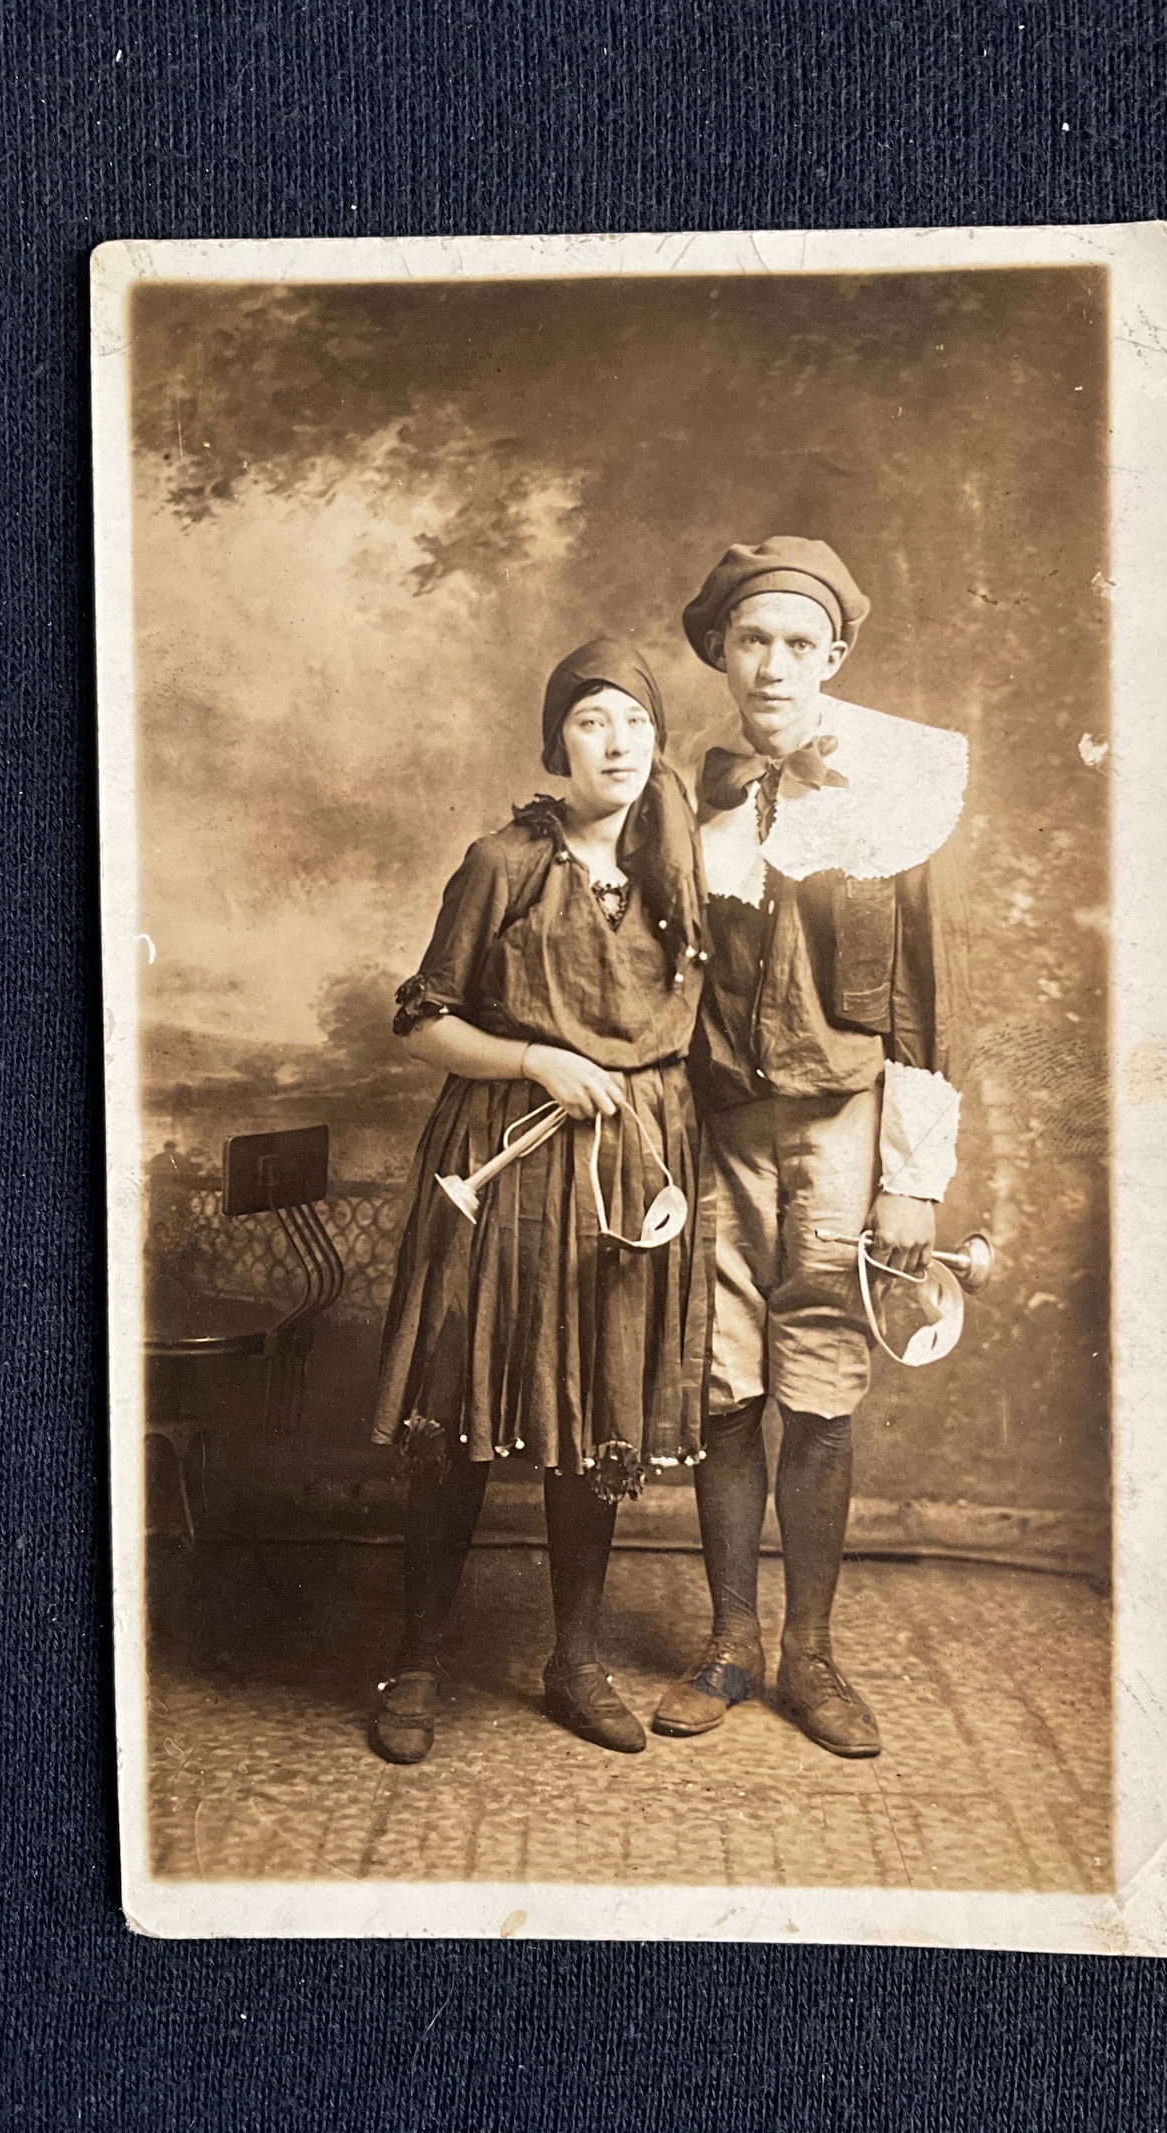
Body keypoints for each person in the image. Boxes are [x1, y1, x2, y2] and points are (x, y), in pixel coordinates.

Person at [653, 537, 972, 1759]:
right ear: (722, 654)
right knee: (724, 1382)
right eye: (752, 641)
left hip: (846, 1127)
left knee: (821, 1384)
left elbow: (930, 994)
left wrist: (911, 1181)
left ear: (833, 657)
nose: (774, 665)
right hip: (720, 1127)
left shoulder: (897, 783)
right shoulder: (690, 783)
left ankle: (812, 1657)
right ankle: (730, 1644)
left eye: (798, 645)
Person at [368, 638, 711, 1764]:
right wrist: (531, 1062)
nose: (615, 743)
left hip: (626, 1166)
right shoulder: (502, 862)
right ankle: (415, 1657)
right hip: (505, 1159)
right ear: (555, 740)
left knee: (595, 1408)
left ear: (656, 742)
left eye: (634, 723)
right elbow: (423, 1022)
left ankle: (576, 1660)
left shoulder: (678, 873)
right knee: (460, 1407)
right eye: (590, 721)